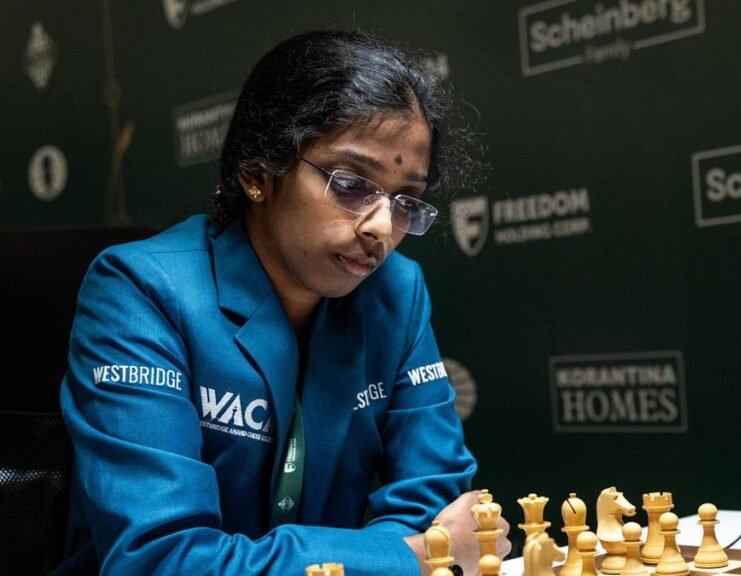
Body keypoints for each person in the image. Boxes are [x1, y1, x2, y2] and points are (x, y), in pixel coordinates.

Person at [56, 30, 510, 575]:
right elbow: (164, 559)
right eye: (351, 184)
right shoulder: (140, 289)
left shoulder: (398, 290)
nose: (381, 228)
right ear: (258, 173)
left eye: (406, 200)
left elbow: (436, 505)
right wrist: (406, 556)